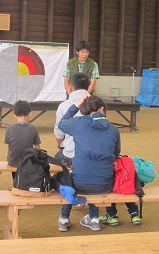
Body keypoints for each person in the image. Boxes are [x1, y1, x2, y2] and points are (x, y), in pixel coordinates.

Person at [57, 95, 120, 231]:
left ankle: (64, 219)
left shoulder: (79, 122)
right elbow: (115, 154)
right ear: (102, 109)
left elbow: (62, 123)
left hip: (80, 182)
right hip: (104, 184)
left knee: (69, 181)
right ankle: (94, 219)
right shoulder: (113, 129)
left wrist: (75, 105)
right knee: (94, 175)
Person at [54, 73, 90, 232]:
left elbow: (58, 132)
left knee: (60, 165)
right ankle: (92, 212)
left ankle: (64, 216)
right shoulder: (95, 105)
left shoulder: (64, 106)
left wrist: (61, 145)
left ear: (70, 87)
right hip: (91, 158)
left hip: (69, 156)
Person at [4, 100, 41, 180]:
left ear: (14, 115)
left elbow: (9, 147)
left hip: (13, 161)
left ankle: (15, 182)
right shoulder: (33, 129)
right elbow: (38, 148)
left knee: (14, 160)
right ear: (30, 114)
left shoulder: (10, 129)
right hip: (28, 162)